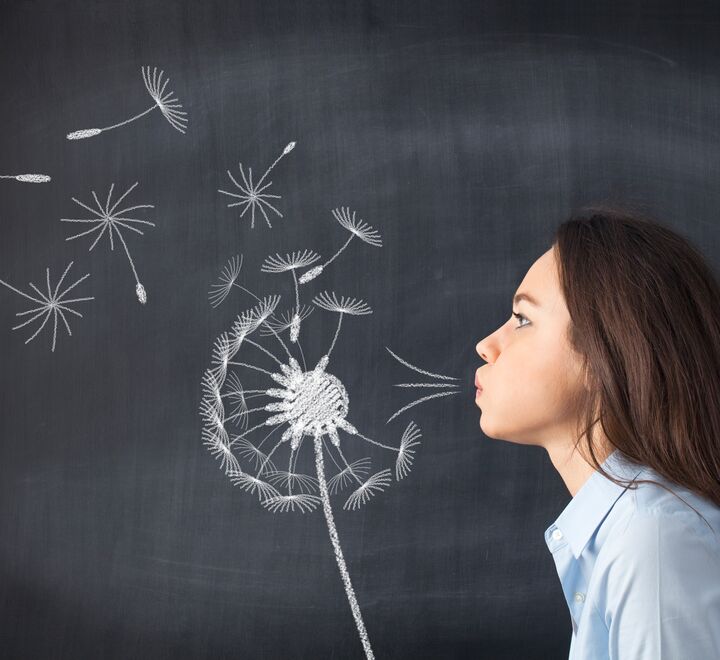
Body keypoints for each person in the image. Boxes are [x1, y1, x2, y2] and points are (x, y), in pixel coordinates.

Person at [474, 205, 720, 659]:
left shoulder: (655, 542)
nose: (487, 345)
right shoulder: (631, 532)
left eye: (523, 319)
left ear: (602, 352)